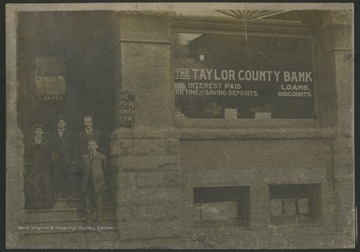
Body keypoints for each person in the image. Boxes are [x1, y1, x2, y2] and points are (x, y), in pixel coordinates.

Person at [24, 123, 56, 210]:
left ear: (43, 132)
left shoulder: (46, 142)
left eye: (41, 131)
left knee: (45, 183)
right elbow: (27, 154)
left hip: (44, 167)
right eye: (37, 131)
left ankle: (45, 204)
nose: (39, 133)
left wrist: (47, 162)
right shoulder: (30, 142)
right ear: (34, 132)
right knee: (35, 184)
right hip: (34, 167)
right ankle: (34, 205)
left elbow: (49, 154)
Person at [76, 115, 104, 210]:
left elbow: (102, 149)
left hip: (95, 162)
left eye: (90, 122)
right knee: (84, 184)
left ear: (92, 123)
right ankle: (83, 204)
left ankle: (95, 206)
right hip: (84, 162)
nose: (88, 124)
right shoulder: (79, 135)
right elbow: (77, 150)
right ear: (84, 124)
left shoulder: (98, 134)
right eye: (86, 122)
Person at [81, 138, 108, 225]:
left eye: (93, 145)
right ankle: (89, 224)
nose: (91, 147)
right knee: (88, 206)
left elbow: (105, 171)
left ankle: (99, 224)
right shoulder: (84, 158)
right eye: (90, 145)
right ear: (88, 147)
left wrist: (101, 182)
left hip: (98, 185)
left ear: (97, 146)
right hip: (88, 185)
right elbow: (82, 172)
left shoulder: (102, 157)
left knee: (99, 206)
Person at [50, 115, 74, 199]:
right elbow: (50, 146)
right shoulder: (53, 134)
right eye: (59, 122)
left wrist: (71, 157)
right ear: (57, 124)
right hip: (56, 158)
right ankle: (56, 194)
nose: (61, 124)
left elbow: (73, 146)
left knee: (67, 176)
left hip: (66, 158)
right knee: (56, 175)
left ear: (65, 124)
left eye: (62, 122)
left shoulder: (70, 134)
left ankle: (68, 194)